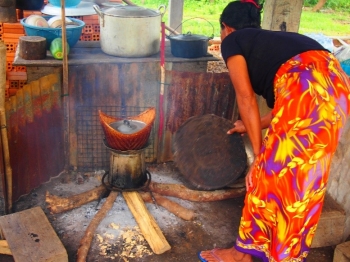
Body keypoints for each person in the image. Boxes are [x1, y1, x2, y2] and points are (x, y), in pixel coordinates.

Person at [198, 0, 350, 261]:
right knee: (303, 184)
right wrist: (250, 125)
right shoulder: (279, 41)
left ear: (226, 28)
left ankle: (241, 255)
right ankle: (284, 254)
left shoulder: (233, 41)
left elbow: (245, 98)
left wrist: (259, 156)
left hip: (307, 91)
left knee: (264, 175)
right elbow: (294, 107)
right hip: (337, 91)